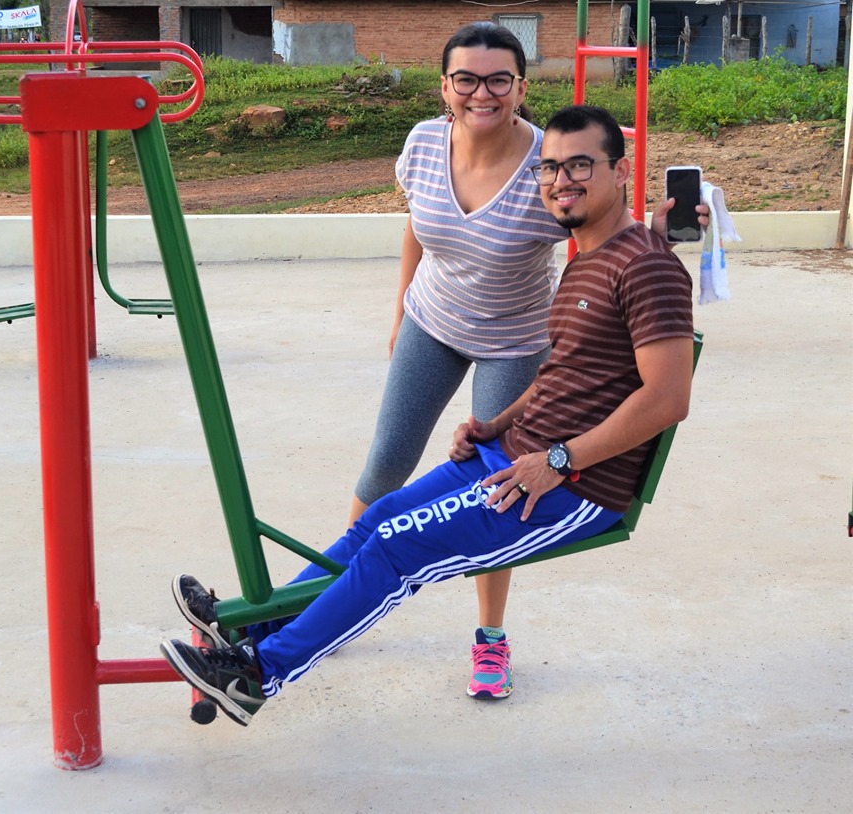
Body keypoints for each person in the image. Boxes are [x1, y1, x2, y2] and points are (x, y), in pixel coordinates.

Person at [159, 104, 696, 728]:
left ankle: (258, 676)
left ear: (620, 170)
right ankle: (254, 630)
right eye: (549, 168)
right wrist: (498, 423)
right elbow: (564, 376)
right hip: (514, 456)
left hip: (571, 488)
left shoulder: (646, 266)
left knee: (397, 546)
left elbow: (667, 397)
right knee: (379, 518)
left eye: (579, 165)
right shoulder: (587, 255)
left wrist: (557, 461)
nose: (561, 180)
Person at [345, 21, 699, 699]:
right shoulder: (422, 144)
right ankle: (337, 591)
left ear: (520, 87)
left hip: (513, 338)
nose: (483, 92)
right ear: (444, 86)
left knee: (498, 485)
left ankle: (489, 639)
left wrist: (655, 240)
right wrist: (398, 313)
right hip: (432, 320)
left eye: (499, 78)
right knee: (386, 460)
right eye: (466, 79)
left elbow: (597, 226)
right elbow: (414, 227)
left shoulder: (550, 163)